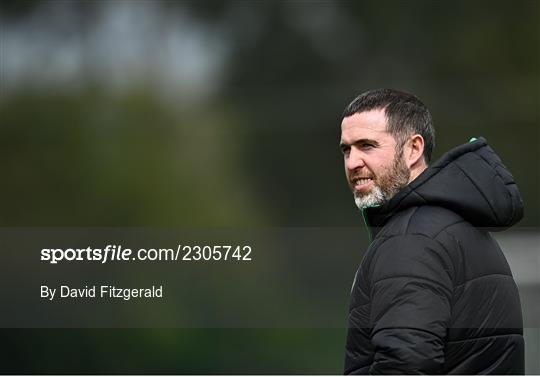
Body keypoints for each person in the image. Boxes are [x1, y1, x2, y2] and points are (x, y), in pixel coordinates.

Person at [340, 89, 524, 374]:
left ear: (413, 149)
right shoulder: (450, 224)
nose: (353, 162)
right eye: (346, 149)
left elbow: (405, 366)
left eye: (367, 145)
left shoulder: (412, 239)